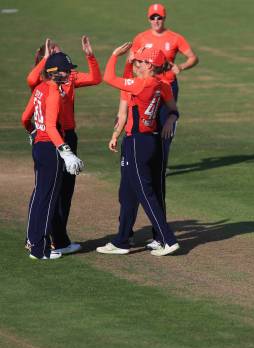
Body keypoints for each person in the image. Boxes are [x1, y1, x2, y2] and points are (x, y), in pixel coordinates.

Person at [125, 3, 198, 250]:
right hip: (144, 90)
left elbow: (192, 58)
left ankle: (157, 234)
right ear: (148, 18)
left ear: (164, 18)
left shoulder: (174, 38)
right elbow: (131, 62)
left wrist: (181, 67)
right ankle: (131, 231)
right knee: (142, 147)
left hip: (166, 90)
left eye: (160, 17)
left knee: (156, 160)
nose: (156, 20)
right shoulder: (140, 38)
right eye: (152, 17)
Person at [97, 43, 180, 257]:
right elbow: (174, 110)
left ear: (151, 65)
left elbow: (108, 78)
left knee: (145, 193)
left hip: (137, 143)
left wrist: (115, 54)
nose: (138, 62)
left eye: (142, 61)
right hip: (149, 142)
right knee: (128, 192)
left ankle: (167, 239)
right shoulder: (162, 84)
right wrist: (171, 118)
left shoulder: (139, 85)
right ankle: (122, 240)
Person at [26, 36, 102, 255]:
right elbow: (30, 78)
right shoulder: (42, 84)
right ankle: (38, 240)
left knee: (65, 191)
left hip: (68, 135)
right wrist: (46, 59)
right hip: (52, 138)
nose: (59, 54)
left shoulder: (69, 78)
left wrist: (90, 55)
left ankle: (59, 239)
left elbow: (96, 78)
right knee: (47, 192)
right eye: (53, 52)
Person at [21, 53, 85, 260]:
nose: (69, 74)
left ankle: (33, 242)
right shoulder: (54, 93)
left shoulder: (39, 88)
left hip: (39, 147)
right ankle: (41, 249)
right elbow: (50, 126)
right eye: (65, 70)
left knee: (40, 196)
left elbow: (25, 117)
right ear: (54, 72)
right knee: (48, 199)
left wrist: (32, 131)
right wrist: (66, 152)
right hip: (50, 149)